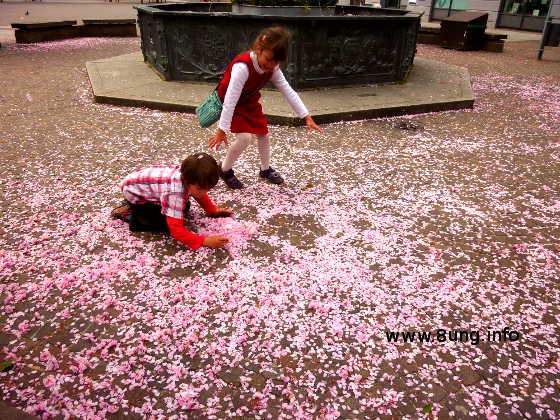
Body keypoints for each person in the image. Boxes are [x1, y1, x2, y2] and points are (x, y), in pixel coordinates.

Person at [209, 26, 321, 189]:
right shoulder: (243, 67)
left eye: (276, 62)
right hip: (231, 102)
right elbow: (230, 100)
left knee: (263, 134)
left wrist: (306, 116)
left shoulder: (273, 67)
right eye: (269, 59)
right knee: (244, 138)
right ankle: (224, 169)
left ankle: (265, 169)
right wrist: (222, 129)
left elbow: (288, 91)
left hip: (249, 101)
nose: (272, 65)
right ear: (259, 49)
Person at [110, 153, 232, 250]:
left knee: (184, 208)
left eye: (208, 188)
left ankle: (137, 208)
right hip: (135, 193)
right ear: (186, 179)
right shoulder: (175, 193)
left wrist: (212, 211)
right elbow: (176, 231)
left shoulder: (188, 174)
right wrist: (205, 241)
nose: (204, 192)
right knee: (165, 225)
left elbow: (200, 195)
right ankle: (131, 213)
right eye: (200, 188)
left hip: (143, 185)